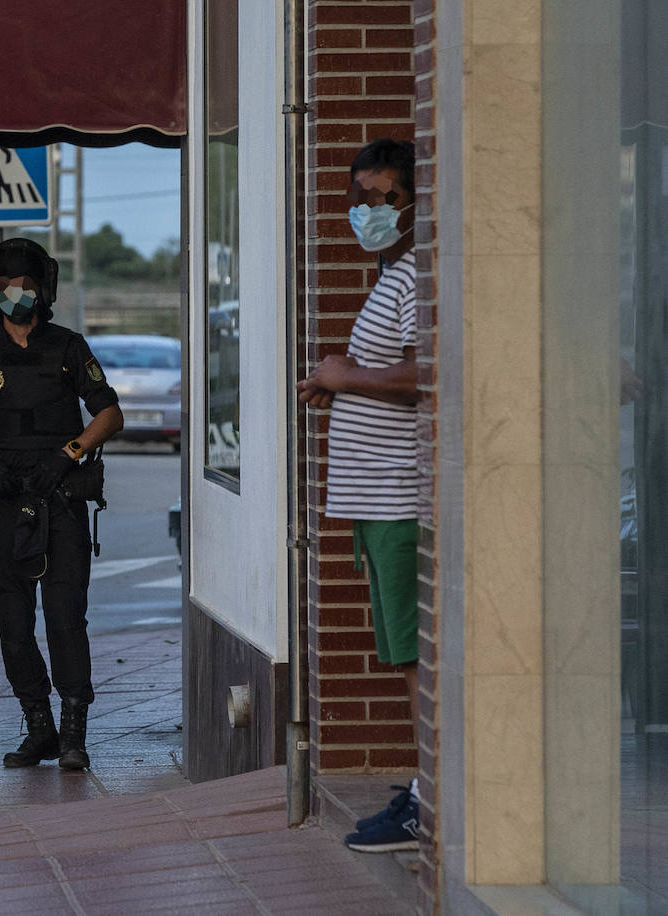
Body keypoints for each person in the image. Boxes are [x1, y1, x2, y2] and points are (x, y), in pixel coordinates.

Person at [0, 237, 123, 771]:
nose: (18, 293)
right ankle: (39, 727)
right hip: (5, 500)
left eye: (28, 285)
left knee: (65, 618)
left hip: (59, 498)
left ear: (44, 289)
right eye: (7, 286)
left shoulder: (68, 346)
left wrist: (70, 454)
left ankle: (73, 735)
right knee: (13, 623)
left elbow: (109, 414)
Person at [296, 138, 422, 853]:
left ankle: (428, 801)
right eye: (361, 199)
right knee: (406, 651)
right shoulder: (392, 275)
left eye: (385, 198)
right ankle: (426, 788)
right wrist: (337, 378)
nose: (369, 211)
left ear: (413, 201)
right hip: (378, 503)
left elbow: (420, 374)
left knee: (413, 656)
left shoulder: (416, 274)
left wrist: (345, 377)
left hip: (401, 500)